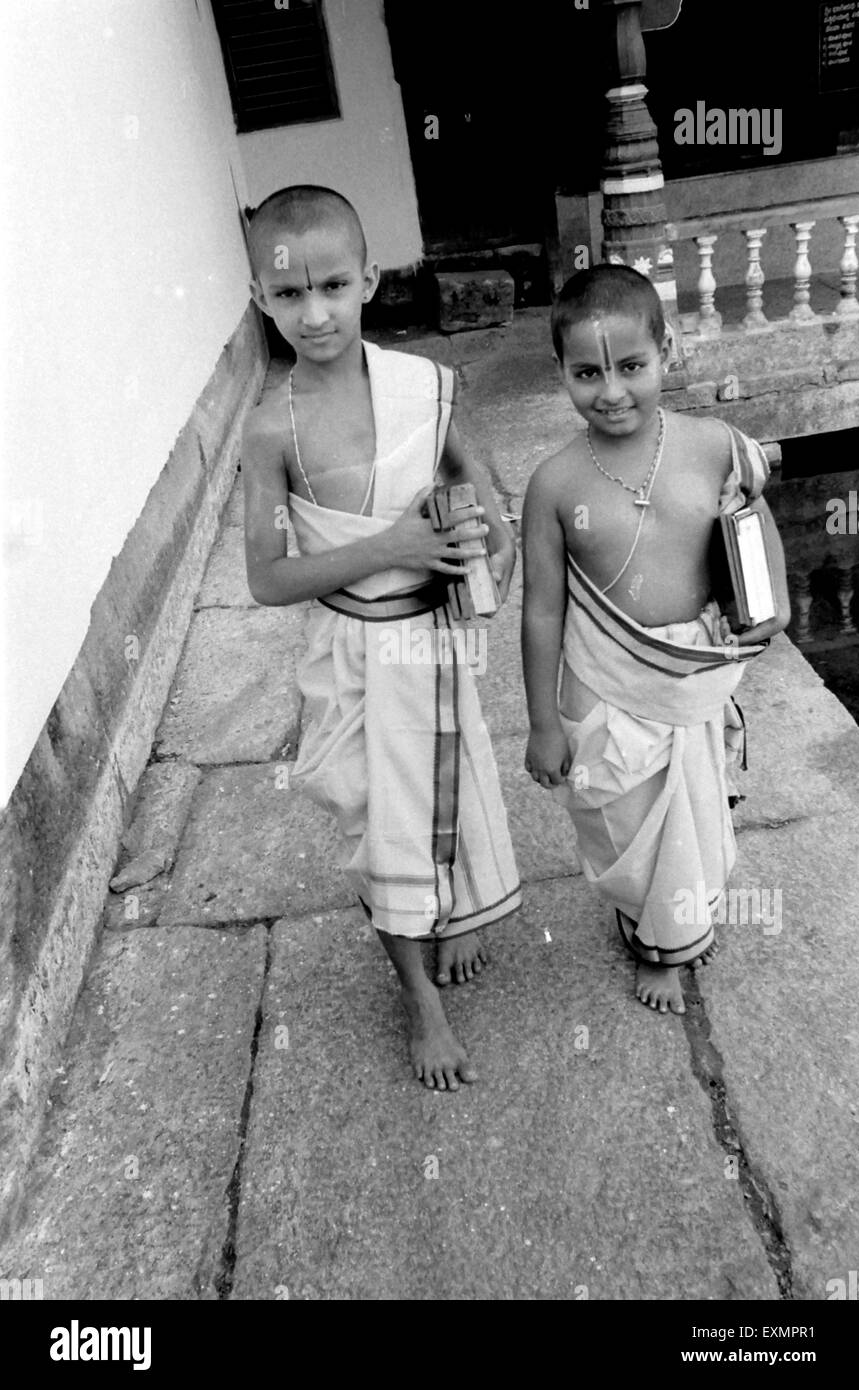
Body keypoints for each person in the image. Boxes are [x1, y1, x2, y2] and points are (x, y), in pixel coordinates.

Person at [242, 185, 521, 1088]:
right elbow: (267, 576)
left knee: (446, 793)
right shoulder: (269, 430)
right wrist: (394, 543)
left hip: (428, 646)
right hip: (351, 657)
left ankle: (450, 915)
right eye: (288, 295)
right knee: (376, 827)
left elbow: (484, 501)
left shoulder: (424, 387)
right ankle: (417, 996)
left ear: (369, 278)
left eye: (331, 285)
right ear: (259, 298)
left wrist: (478, 551)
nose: (313, 312)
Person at [522, 264, 790, 1016]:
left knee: (693, 814)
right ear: (561, 373)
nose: (611, 391)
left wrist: (772, 598)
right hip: (609, 679)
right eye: (587, 373)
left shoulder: (710, 445)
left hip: (690, 673)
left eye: (631, 366)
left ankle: (665, 942)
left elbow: (752, 513)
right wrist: (544, 723)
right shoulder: (555, 483)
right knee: (625, 820)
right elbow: (541, 608)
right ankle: (649, 920)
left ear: (666, 351)